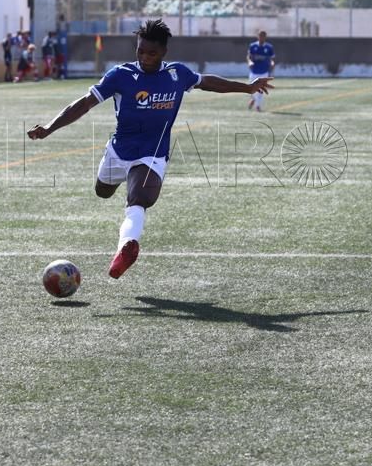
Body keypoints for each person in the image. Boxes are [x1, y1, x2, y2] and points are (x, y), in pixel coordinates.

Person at [26, 19, 274, 279]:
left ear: (164, 52)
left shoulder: (177, 74)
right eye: (140, 51)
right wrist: (49, 127)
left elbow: (208, 82)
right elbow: (84, 104)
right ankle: (124, 227)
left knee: (138, 200)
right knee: (102, 192)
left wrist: (246, 87)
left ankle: (126, 248)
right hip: (118, 153)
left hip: (152, 154)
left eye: (152, 53)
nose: (145, 57)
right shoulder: (120, 75)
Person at [246, 30, 275, 112]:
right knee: (251, 88)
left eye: (263, 36)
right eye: (260, 36)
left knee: (261, 89)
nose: (261, 37)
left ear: (265, 37)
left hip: (264, 72)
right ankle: (253, 99)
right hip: (254, 71)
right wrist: (250, 62)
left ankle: (258, 106)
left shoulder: (269, 47)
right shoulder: (252, 46)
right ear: (257, 36)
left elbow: (272, 59)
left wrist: (272, 63)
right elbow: (249, 57)